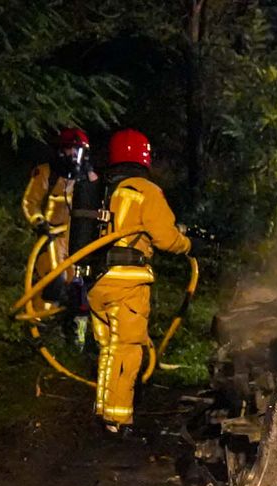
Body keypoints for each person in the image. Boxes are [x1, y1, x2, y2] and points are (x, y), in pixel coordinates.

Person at [88, 128, 191, 435]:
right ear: (144, 158)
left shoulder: (103, 190)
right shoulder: (144, 190)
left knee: (108, 349)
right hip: (127, 282)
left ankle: (104, 411)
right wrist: (188, 244)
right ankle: (118, 421)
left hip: (97, 281)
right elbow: (166, 238)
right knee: (128, 350)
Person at [22, 128, 99, 344]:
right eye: (70, 150)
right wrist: (39, 222)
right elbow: (30, 202)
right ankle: (36, 328)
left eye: (78, 151)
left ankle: (77, 338)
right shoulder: (47, 173)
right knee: (52, 282)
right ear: (60, 151)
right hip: (51, 239)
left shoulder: (89, 179)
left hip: (79, 241)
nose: (74, 155)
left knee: (81, 289)